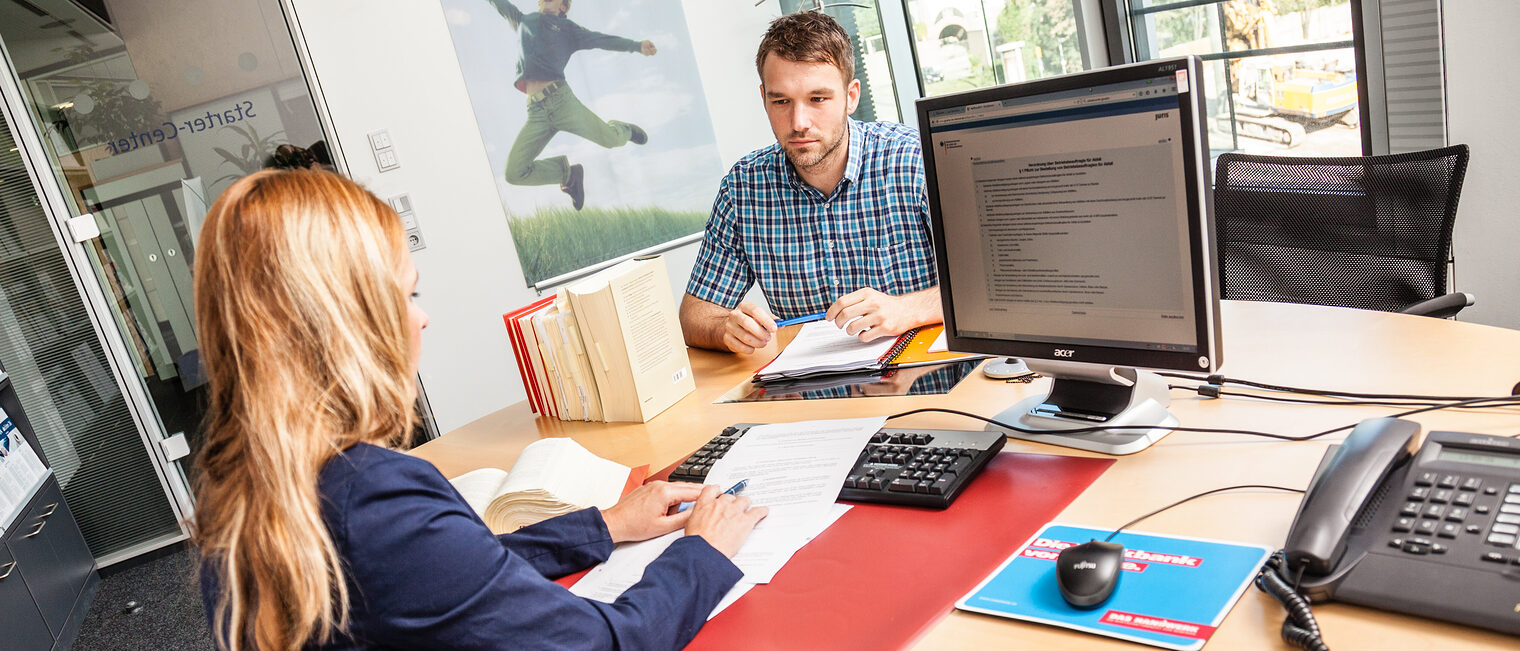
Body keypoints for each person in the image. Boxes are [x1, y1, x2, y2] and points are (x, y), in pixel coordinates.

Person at [192, 170, 767, 650]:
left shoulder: (247, 481)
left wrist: (606, 525)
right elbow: (607, 643)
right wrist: (702, 551)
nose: (422, 318)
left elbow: (448, 570)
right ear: (348, 320)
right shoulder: (372, 501)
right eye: (406, 294)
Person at [679, 11, 942, 354]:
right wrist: (723, 328)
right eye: (781, 101)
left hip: (932, 390)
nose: (798, 122)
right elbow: (695, 313)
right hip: (810, 399)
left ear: (851, 97)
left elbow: (997, 287)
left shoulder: (915, 162)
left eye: (818, 99)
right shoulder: (743, 188)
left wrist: (906, 309)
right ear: (764, 99)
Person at [487, 0, 657, 210]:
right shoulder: (523, 21)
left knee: (611, 139)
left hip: (562, 102)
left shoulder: (568, 30)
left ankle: (624, 129)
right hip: (536, 113)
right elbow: (500, 4)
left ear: (563, 7)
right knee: (514, 173)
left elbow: (601, 40)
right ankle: (568, 174)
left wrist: (636, 46)